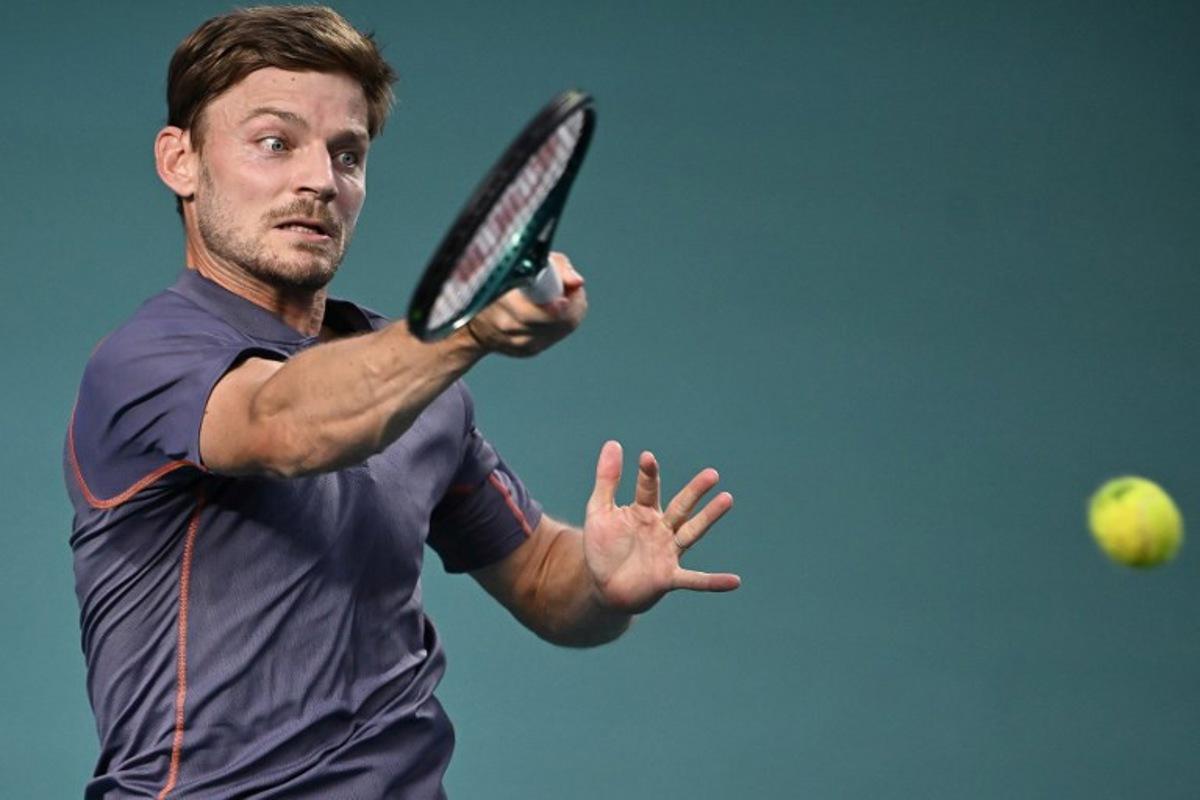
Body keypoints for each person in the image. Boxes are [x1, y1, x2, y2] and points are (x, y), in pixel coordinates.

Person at [64, 6, 739, 798]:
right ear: (180, 160)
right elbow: (283, 426)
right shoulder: (141, 363)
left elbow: (541, 579)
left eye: (346, 154)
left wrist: (602, 585)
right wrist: (467, 327)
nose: (320, 180)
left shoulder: (417, 384)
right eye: (275, 143)